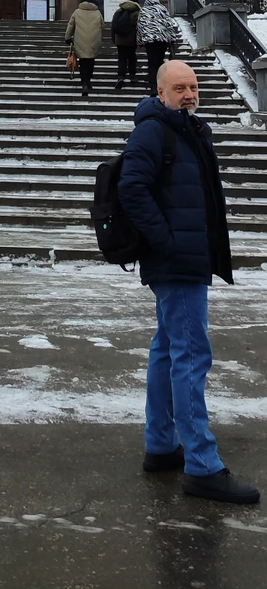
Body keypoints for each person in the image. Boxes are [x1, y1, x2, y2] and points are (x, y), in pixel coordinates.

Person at [118, 59, 259, 505]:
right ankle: (202, 463)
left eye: (193, 86)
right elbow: (131, 189)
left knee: (168, 349)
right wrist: (168, 241)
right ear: (161, 93)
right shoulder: (152, 131)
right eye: (179, 87)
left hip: (189, 259)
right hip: (177, 262)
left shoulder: (190, 132)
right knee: (192, 355)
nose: (189, 93)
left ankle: (161, 444)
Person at [137, 0, 181, 94]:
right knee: (160, 60)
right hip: (163, 40)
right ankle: (161, 82)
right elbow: (169, 24)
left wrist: (140, 42)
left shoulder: (144, 10)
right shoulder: (162, 8)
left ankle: (153, 85)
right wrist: (172, 39)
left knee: (152, 62)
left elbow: (140, 27)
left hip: (150, 41)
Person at [65, 0, 104, 99]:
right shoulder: (98, 13)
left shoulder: (77, 12)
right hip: (94, 41)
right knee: (91, 61)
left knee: (83, 62)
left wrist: (68, 38)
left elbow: (71, 25)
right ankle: (89, 80)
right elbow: (102, 26)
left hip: (80, 41)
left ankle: (84, 83)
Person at [111, 0, 140, 90]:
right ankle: (132, 76)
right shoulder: (137, 13)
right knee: (132, 58)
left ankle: (121, 77)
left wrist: (114, 39)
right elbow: (140, 28)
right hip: (132, 40)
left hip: (120, 40)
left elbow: (113, 26)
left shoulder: (118, 11)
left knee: (122, 59)